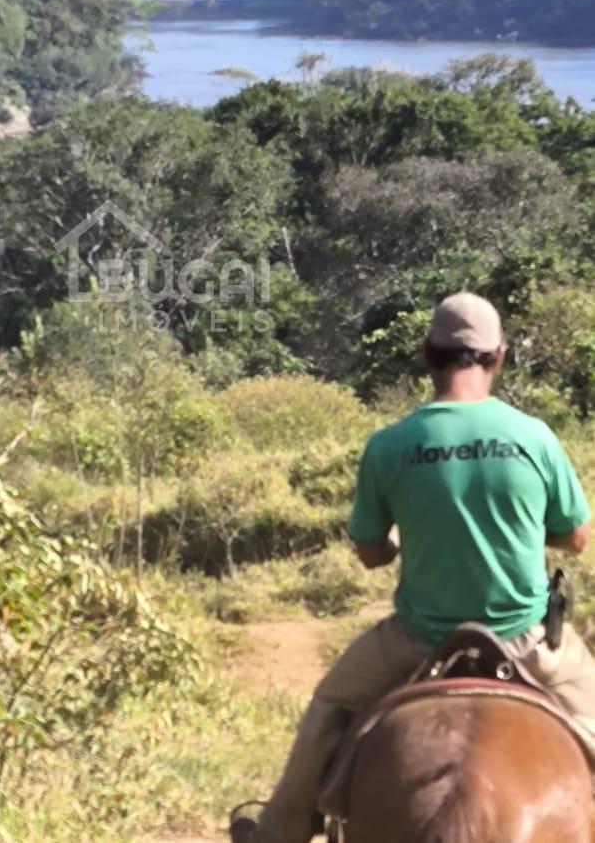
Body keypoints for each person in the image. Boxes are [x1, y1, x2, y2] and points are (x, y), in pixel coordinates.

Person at [233, 292, 595, 843]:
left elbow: (371, 551)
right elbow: (576, 538)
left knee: (330, 705)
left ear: (428, 355)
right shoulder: (534, 438)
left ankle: (277, 830)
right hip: (526, 643)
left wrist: (408, 537)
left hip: (418, 640)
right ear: (498, 355)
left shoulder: (391, 445)